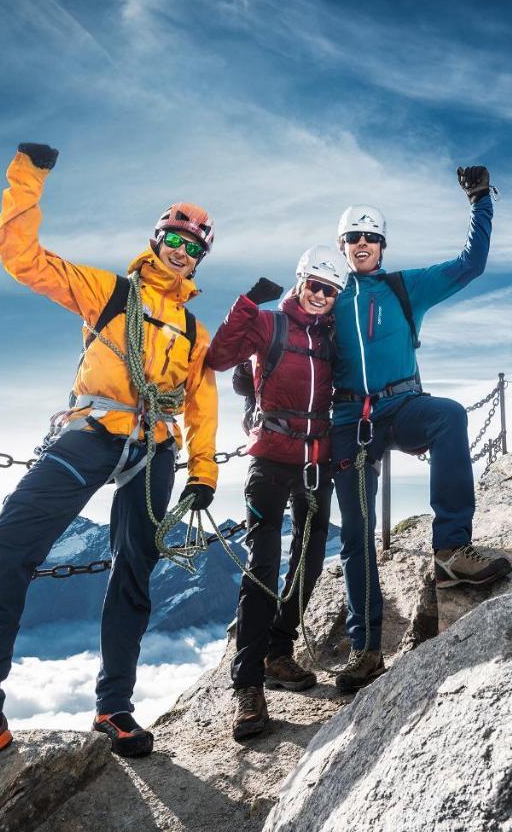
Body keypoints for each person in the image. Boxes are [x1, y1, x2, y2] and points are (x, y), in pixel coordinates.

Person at [0, 143, 219, 804]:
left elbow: (201, 402)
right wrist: (27, 176)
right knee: (6, 546)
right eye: (173, 238)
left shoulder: (194, 330)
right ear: (156, 239)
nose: (179, 252)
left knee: (133, 571)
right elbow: (23, 259)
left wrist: (201, 472)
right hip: (91, 431)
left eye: (192, 247)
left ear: (199, 260)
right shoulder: (107, 291)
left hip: (155, 448)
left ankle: (114, 707)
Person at [329, 166, 512, 693]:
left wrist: (480, 200)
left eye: (371, 237)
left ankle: (451, 550)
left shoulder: (404, 289)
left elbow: (470, 265)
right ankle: (365, 651)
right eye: (353, 238)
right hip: (348, 422)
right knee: (358, 534)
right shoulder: (328, 298)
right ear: (342, 246)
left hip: (403, 406)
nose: (362, 244)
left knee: (449, 415)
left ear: (382, 245)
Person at [207, 246, 344, 738]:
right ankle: (247, 688)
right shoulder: (268, 323)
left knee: (307, 560)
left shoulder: (332, 336)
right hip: (268, 460)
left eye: (331, 290)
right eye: (315, 285)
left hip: (314, 462)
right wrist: (245, 303)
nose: (321, 296)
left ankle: (278, 652)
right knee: (262, 567)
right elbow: (220, 357)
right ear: (300, 281)